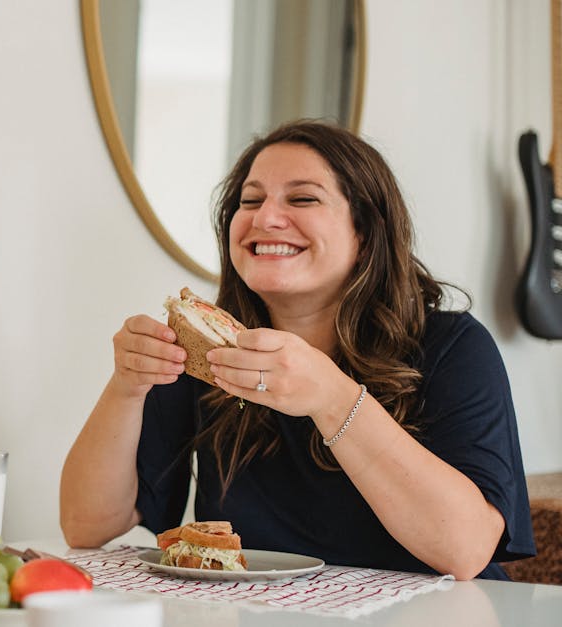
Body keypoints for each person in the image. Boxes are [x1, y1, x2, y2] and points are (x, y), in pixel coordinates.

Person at [59, 120, 536, 581]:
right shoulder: (204, 356)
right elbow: (86, 525)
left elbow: (467, 550)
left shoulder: (451, 346)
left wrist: (332, 399)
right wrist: (126, 386)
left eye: (303, 198)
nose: (265, 217)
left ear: (365, 233)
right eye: (250, 201)